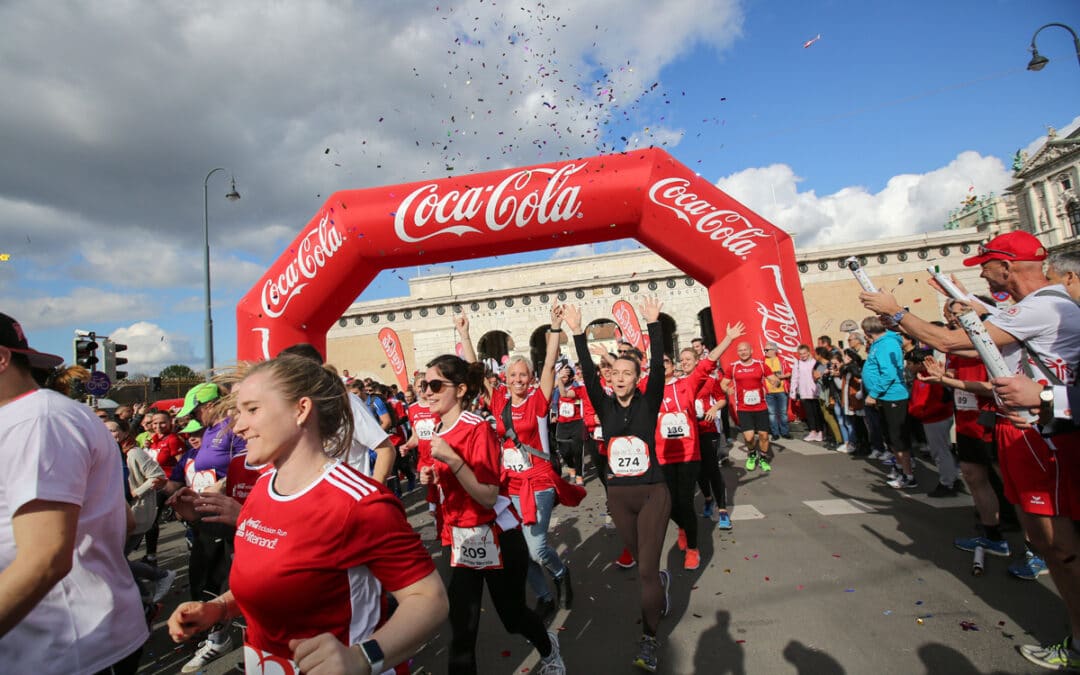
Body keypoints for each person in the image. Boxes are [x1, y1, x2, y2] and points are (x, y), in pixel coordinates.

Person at [860, 230, 1080, 670]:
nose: (980, 271)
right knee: (1041, 538)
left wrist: (896, 311)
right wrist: (955, 378)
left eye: (986, 263)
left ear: (1008, 265)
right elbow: (1003, 375)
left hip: (1045, 435)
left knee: (1059, 544)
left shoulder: (1047, 305)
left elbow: (947, 342)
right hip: (1020, 429)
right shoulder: (1026, 308)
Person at [168, 354, 448, 674]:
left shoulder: (358, 502)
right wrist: (217, 608)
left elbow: (429, 598)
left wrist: (362, 657)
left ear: (301, 410)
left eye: (253, 409)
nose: (239, 425)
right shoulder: (261, 488)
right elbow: (269, 583)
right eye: (238, 411)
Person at [0, 313, 147, 673]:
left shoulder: (37, 420)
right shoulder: (34, 418)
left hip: (69, 648)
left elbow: (45, 558)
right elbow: (121, 519)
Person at [418, 354, 565, 675]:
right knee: (462, 633)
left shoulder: (477, 429)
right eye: (422, 385)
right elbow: (444, 479)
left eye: (433, 385)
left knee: (513, 618)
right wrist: (430, 475)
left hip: (497, 537)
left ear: (459, 390)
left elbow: (487, 496)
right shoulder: (435, 429)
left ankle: (548, 646)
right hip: (459, 540)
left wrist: (453, 462)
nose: (425, 392)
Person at [566, 297, 671, 672]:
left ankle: (649, 639)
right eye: (617, 373)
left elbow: (657, 366)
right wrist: (576, 332)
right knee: (642, 560)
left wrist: (653, 326)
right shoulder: (604, 404)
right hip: (618, 499)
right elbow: (589, 375)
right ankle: (659, 581)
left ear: (636, 377)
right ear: (610, 378)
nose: (622, 377)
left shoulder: (649, 401)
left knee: (644, 571)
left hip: (653, 492)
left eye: (629, 372)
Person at [458, 307, 577, 620]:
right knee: (519, 553)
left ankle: (561, 574)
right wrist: (464, 334)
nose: (518, 379)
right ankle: (543, 596)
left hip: (538, 481)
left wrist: (554, 325)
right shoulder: (498, 400)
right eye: (513, 375)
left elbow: (550, 363)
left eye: (523, 374)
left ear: (530, 378)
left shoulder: (539, 398)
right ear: (506, 379)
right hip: (508, 484)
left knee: (537, 548)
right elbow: (475, 370)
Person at [658, 324, 745, 570]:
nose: (664, 364)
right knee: (669, 504)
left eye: (667, 360)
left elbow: (708, 363)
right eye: (659, 361)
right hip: (663, 454)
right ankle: (684, 527)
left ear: (672, 365)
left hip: (689, 450)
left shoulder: (688, 384)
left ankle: (694, 547)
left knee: (685, 500)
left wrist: (728, 338)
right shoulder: (649, 389)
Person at [859, 315, 915, 489]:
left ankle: (908, 475)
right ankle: (899, 469)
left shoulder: (887, 344)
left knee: (898, 439)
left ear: (867, 331)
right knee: (890, 438)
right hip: (885, 397)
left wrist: (874, 393)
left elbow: (889, 373)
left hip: (893, 397)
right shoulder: (878, 345)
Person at [905, 349, 960, 496]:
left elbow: (943, 400)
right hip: (930, 418)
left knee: (940, 452)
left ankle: (947, 483)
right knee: (942, 450)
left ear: (919, 363)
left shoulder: (933, 378)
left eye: (910, 363)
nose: (908, 366)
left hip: (936, 419)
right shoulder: (921, 376)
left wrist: (923, 412)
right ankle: (952, 477)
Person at [725, 342, 782, 473]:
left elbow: (774, 378)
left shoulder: (761, 365)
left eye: (745, 349)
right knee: (749, 437)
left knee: (763, 435)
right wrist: (727, 389)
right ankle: (751, 454)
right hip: (744, 408)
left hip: (761, 407)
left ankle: (762, 458)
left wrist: (776, 381)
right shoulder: (733, 367)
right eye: (740, 350)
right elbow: (723, 383)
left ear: (751, 351)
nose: (743, 352)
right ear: (737, 353)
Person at [790, 344, 823, 442]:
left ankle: (820, 431)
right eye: (800, 354)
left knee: (817, 413)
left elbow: (819, 376)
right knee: (809, 413)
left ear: (808, 352)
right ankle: (813, 431)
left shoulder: (815, 362)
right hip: (804, 392)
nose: (803, 355)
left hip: (815, 392)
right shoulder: (798, 364)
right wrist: (793, 391)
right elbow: (794, 378)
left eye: (804, 353)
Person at [762, 343, 792, 440]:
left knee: (783, 412)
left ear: (774, 350)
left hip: (781, 390)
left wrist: (781, 377)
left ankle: (785, 432)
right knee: (772, 413)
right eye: (765, 350)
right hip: (769, 391)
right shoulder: (762, 361)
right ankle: (775, 433)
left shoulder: (782, 360)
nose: (765, 352)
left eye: (767, 350)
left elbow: (789, 372)